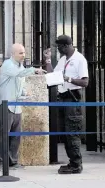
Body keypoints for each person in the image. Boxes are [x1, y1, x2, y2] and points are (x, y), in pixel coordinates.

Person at [42, 35, 89, 174]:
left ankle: (76, 164)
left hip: (72, 99)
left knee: (72, 132)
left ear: (67, 46)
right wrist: (48, 60)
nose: (59, 49)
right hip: (62, 98)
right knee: (65, 133)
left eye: (60, 47)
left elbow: (85, 82)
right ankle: (72, 162)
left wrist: (68, 78)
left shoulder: (79, 60)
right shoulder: (63, 59)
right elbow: (53, 75)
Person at [0, 43, 46, 170]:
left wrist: (25, 93)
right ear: (12, 54)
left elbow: (20, 82)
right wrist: (34, 70)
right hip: (6, 105)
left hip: (16, 105)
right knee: (4, 134)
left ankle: (13, 161)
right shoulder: (8, 65)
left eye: (23, 52)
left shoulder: (20, 66)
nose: (23, 55)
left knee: (16, 134)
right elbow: (19, 74)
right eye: (20, 53)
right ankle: (2, 162)